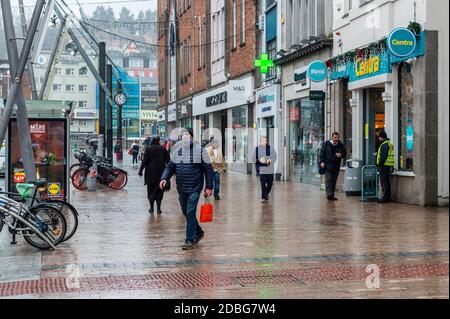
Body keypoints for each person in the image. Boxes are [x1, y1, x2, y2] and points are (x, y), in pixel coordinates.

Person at [160, 128, 214, 250]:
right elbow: (170, 167)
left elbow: (208, 169)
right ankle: (198, 232)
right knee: (185, 212)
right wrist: (164, 178)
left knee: (190, 212)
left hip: (195, 187)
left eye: (187, 134)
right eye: (183, 135)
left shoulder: (200, 150)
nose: (184, 136)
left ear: (191, 136)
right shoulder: (177, 151)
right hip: (181, 188)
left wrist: (209, 187)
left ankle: (189, 240)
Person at [139, 136, 170, 214]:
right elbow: (169, 161)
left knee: (150, 191)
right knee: (160, 191)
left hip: (150, 174)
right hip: (161, 174)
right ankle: (159, 208)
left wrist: (140, 170)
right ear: (158, 141)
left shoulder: (148, 149)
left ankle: (151, 208)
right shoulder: (163, 149)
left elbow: (144, 161)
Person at [319, 132, 347, 201]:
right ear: (332, 137)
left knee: (334, 181)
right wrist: (322, 162)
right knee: (329, 179)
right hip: (328, 165)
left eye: (337, 138)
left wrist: (341, 154)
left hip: (336, 166)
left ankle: (332, 195)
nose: (336, 139)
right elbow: (321, 153)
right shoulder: (326, 144)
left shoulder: (340, 144)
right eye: (335, 137)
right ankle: (329, 195)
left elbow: (345, 153)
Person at [253, 136, 277, 203]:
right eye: (263, 141)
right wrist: (259, 160)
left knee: (270, 183)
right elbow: (253, 159)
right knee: (263, 183)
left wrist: (270, 160)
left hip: (269, 169)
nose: (264, 142)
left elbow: (274, 157)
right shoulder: (257, 149)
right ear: (260, 142)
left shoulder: (270, 148)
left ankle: (266, 194)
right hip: (262, 169)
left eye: (265, 140)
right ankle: (264, 197)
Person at [376, 131, 394, 203]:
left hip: (384, 166)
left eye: (379, 137)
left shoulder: (384, 144)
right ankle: (387, 197)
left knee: (384, 182)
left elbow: (383, 156)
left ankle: (385, 198)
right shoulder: (389, 143)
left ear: (381, 137)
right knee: (386, 181)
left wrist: (379, 164)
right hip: (388, 165)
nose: (379, 139)